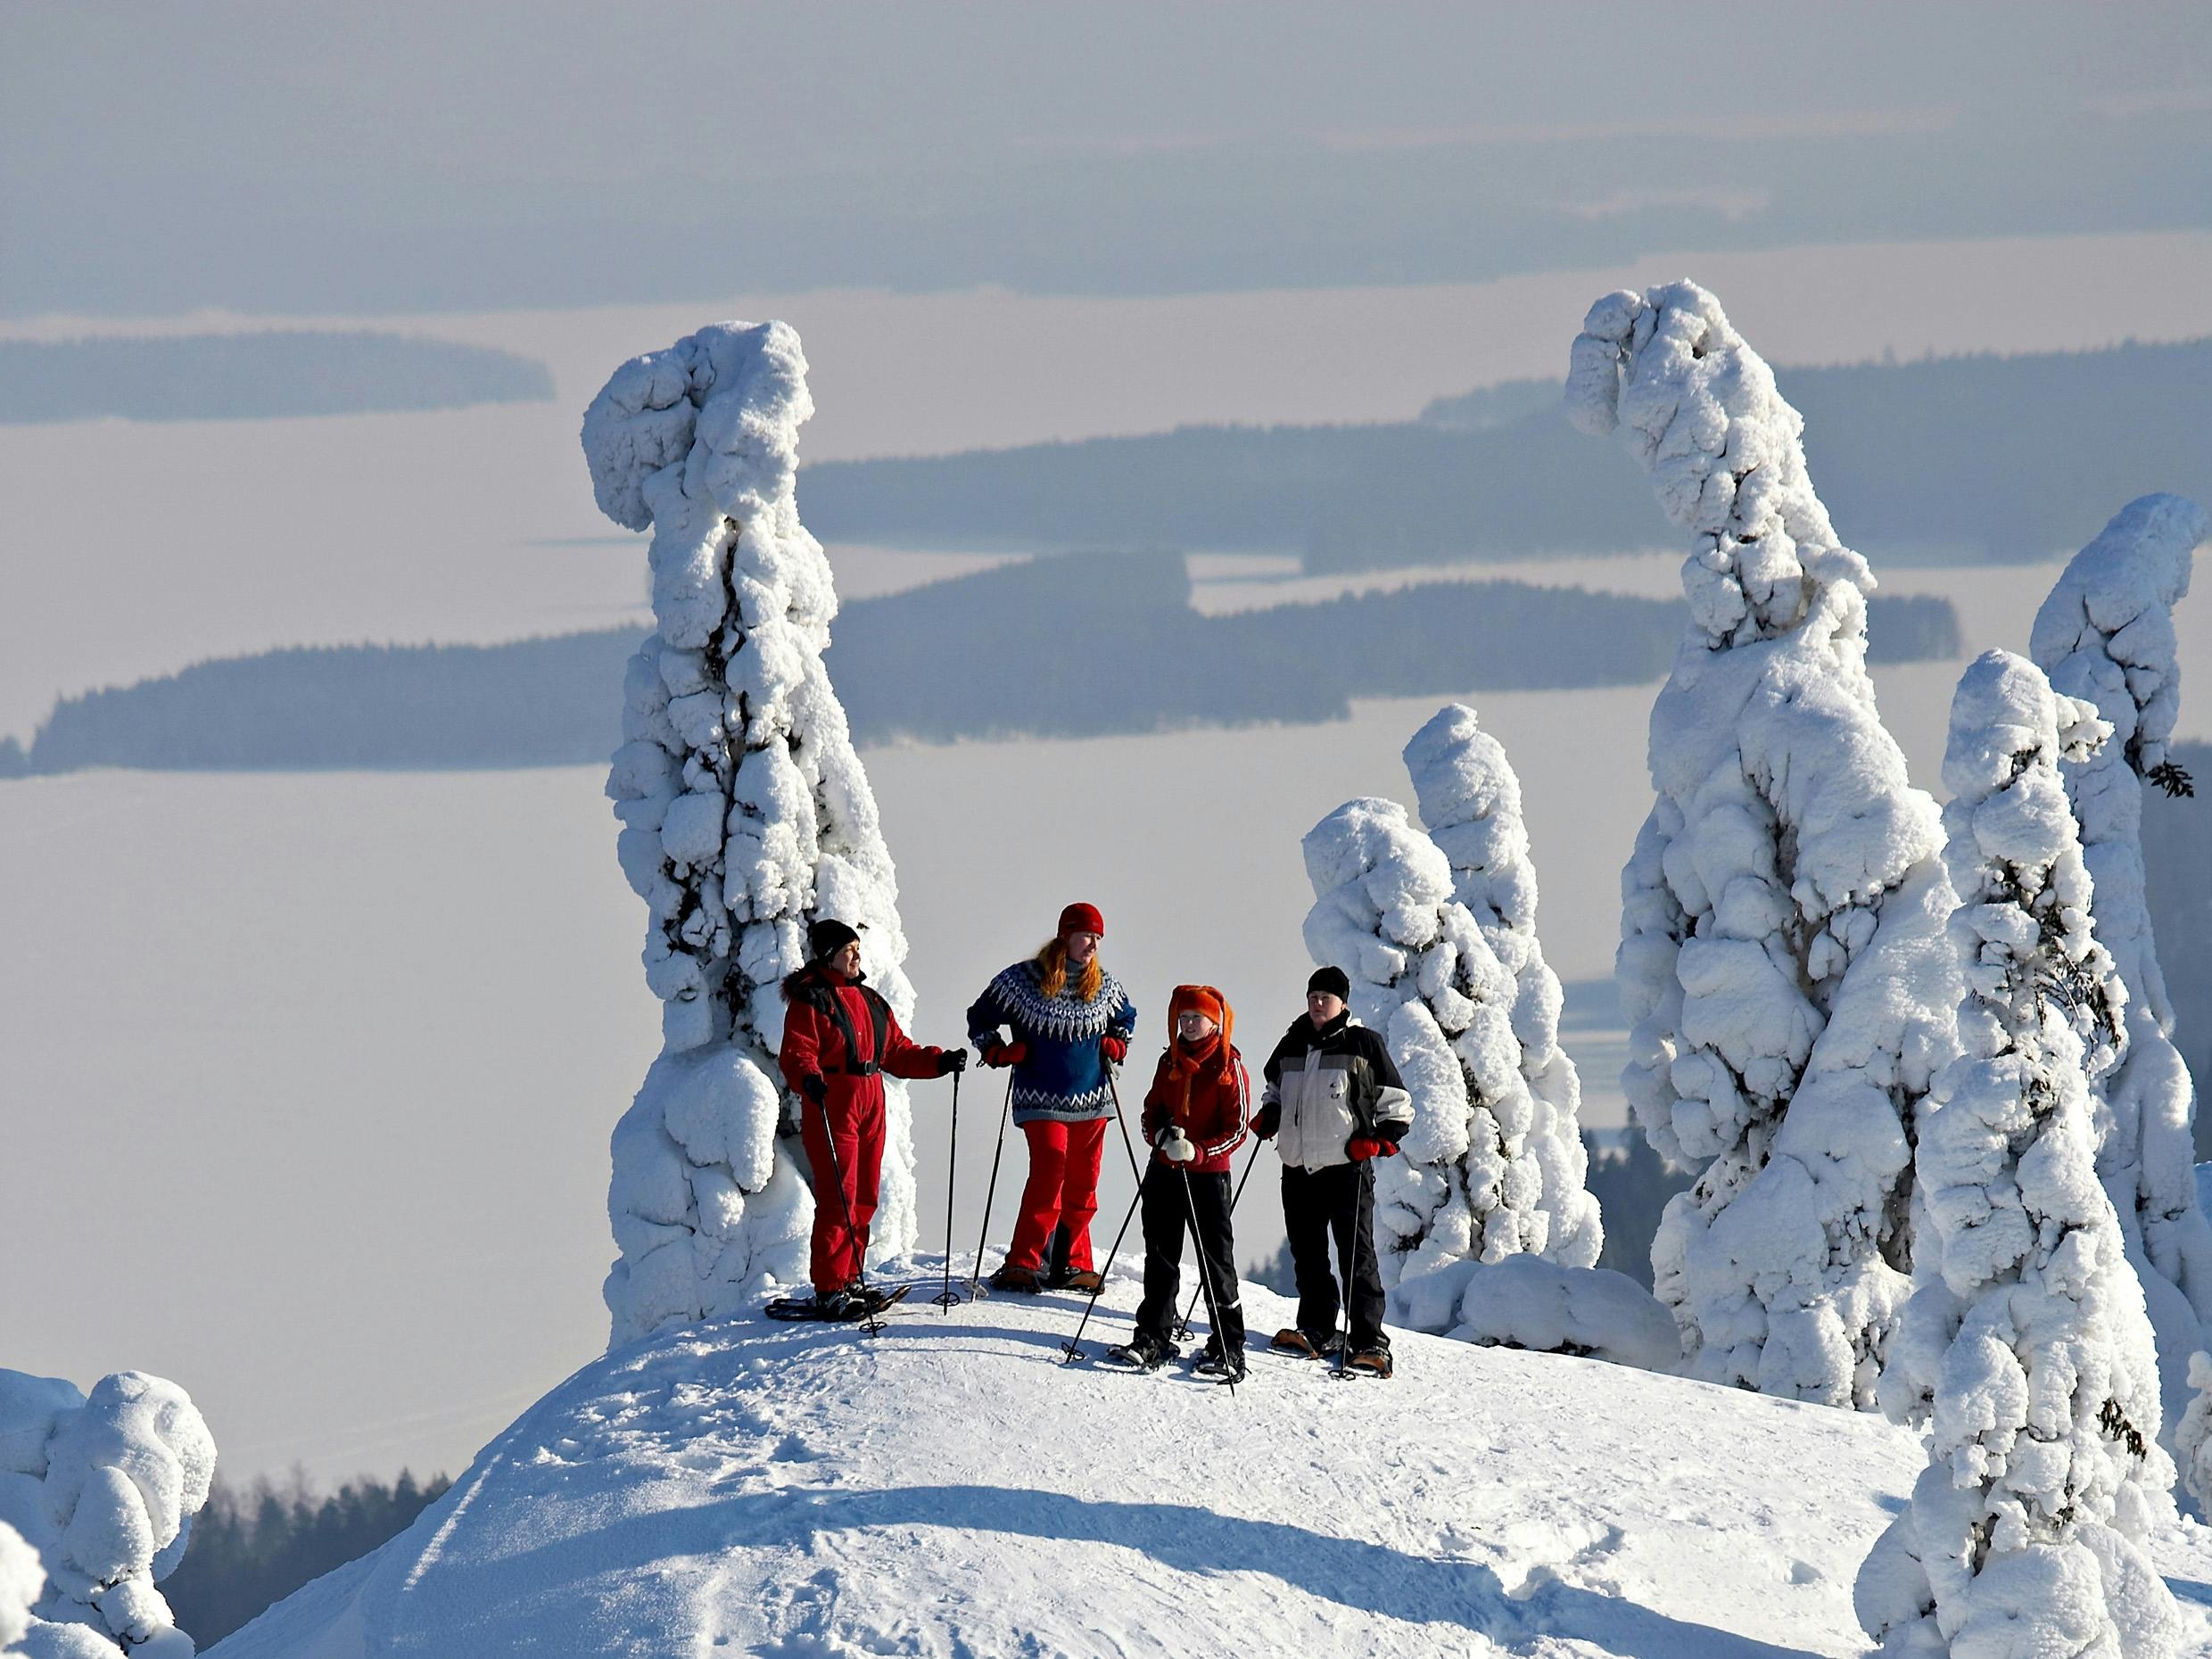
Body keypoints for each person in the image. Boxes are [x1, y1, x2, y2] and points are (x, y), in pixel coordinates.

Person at [779, 918, 965, 1319]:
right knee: (839, 1196)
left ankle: (850, 1277)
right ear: (830, 955)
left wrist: (940, 1061)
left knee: (865, 1194)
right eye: (849, 950)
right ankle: (829, 1286)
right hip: (833, 1099)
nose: (856, 956)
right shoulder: (811, 1000)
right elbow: (798, 1051)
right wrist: (809, 1079)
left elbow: (897, 1052)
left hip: (870, 1097)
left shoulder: (871, 1001)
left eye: (857, 949)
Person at [967, 903, 1138, 1292]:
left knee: (1083, 1183)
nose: (1093, 944)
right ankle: (1024, 1262)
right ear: (1065, 934)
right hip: (1040, 1095)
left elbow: (1126, 1018)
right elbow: (980, 1015)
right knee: (1049, 1174)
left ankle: (1072, 1263)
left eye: (1098, 937)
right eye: (1086, 935)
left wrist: (1117, 1044)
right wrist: (995, 1050)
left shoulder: (1105, 986)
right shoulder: (1023, 980)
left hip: (1092, 1098)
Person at [1251, 966, 1411, 1377]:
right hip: (1297, 1166)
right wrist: (1270, 1113)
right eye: (1312, 996)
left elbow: (1397, 1104)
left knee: (1355, 1255)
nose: (1317, 1003)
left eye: (1326, 996)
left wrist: (1377, 1140)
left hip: (1346, 1169)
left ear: (1343, 1003)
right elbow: (1274, 1089)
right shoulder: (1292, 1043)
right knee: (1308, 1253)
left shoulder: (1362, 1044)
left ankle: (1369, 1340)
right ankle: (1317, 1328)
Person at [1105, 986, 1250, 1377]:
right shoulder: (1168, 1061)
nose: (1187, 1025)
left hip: (1208, 1177)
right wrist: (1160, 1137)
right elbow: (1150, 1112)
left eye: (1195, 1018)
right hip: (1164, 1172)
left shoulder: (1227, 1066)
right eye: (1182, 1018)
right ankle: (1153, 1335)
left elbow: (1237, 1129)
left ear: (1214, 1022)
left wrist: (1198, 1151)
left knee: (1215, 1263)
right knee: (1160, 1256)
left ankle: (1228, 1345)